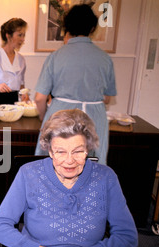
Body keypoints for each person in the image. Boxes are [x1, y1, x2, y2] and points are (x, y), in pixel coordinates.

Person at [0, 109, 138, 247]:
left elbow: (127, 236)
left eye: (78, 151)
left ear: (88, 149)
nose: (69, 161)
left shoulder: (106, 177)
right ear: (50, 151)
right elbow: (0, 226)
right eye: (61, 152)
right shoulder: (28, 174)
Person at [34, 4, 117, 165]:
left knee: (56, 164)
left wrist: (45, 117)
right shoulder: (105, 58)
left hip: (60, 117)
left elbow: (39, 98)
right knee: (93, 167)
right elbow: (107, 98)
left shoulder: (55, 57)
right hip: (94, 119)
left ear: (67, 27)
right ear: (92, 28)